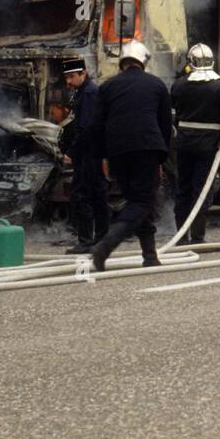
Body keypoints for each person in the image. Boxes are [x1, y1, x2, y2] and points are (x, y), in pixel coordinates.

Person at [89, 40, 174, 272]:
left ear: (122, 61)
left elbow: (97, 125)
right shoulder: (157, 85)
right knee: (142, 201)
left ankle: (150, 256)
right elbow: (165, 126)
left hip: (117, 152)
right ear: (144, 61)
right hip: (146, 148)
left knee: (137, 201)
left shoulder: (107, 87)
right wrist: (161, 158)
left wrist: (103, 157)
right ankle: (105, 246)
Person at [170, 42, 220, 245]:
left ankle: (180, 236)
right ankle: (197, 236)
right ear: (211, 62)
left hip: (184, 144)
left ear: (190, 63)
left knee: (183, 188)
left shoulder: (179, 85)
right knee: (201, 189)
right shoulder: (219, 86)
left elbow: (173, 109)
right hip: (208, 146)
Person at [61, 57, 109, 255]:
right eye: (67, 77)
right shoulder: (85, 92)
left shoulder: (88, 94)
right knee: (97, 195)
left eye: (72, 77)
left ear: (83, 74)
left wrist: (72, 152)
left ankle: (86, 241)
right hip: (94, 152)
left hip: (88, 153)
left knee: (82, 195)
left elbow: (87, 128)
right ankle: (102, 239)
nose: (68, 82)